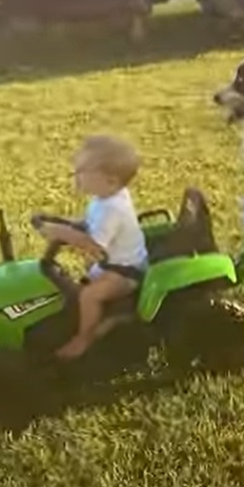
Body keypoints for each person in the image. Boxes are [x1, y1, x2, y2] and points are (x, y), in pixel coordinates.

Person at [36, 135, 149, 360]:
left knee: (89, 296)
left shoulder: (113, 209)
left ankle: (83, 339)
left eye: (83, 171)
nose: (76, 175)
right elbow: (89, 225)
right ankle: (111, 315)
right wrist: (65, 223)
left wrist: (62, 232)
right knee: (80, 288)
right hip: (113, 262)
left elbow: (94, 245)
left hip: (125, 271)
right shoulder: (104, 198)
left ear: (111, 180)